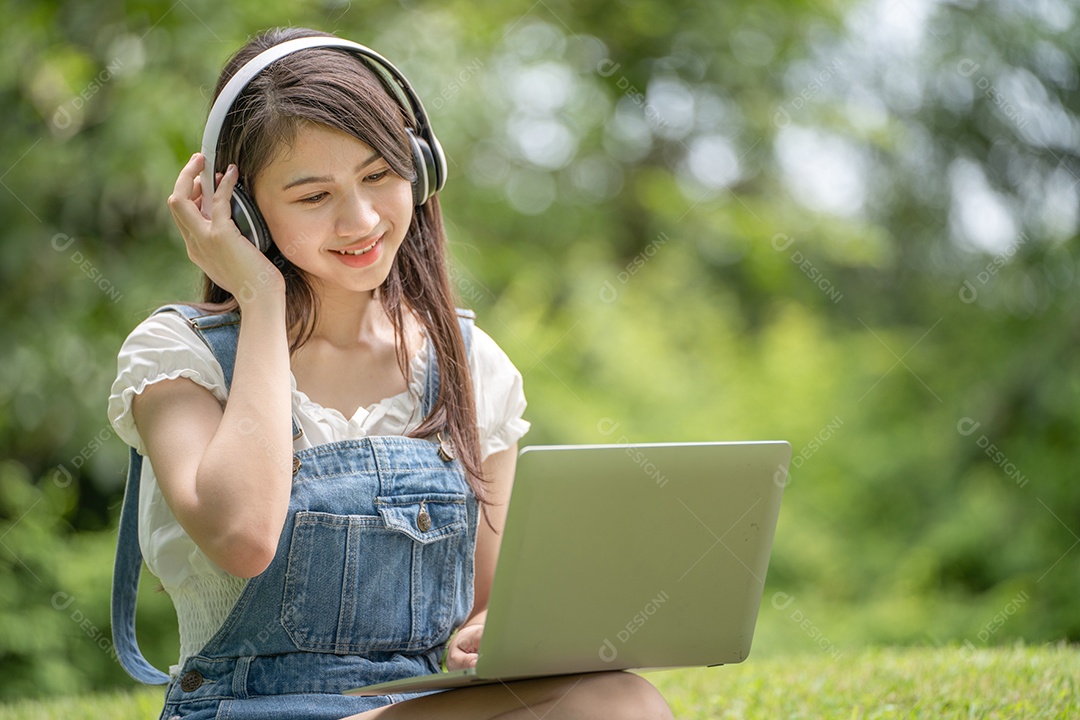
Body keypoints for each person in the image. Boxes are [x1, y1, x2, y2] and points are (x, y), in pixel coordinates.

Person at [108, 26, 673, 720]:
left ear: (420, 166)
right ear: (244, 213)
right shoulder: (179, 356)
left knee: (619, 698)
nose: (362, 218)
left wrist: (484, 636)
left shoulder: (470, 368)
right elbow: (244, 538)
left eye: (379, 175)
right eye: (313, 196)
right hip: (247, 709)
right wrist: (260, 299)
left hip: (410, 707)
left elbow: (485, 606)